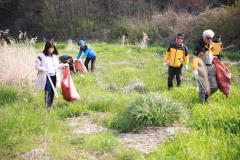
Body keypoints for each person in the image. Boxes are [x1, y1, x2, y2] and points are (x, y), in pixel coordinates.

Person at [35, 41, 68, 107]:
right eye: (49, 48)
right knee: (48, 91)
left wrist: (64, 65)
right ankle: (47, 107)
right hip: (46, 77)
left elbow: (57, 66)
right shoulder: (41, 56)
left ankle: (50, 106)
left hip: (54, 76)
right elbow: (36, 67)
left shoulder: (55, 56)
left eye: (52, 48)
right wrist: (44, 69)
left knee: (53, 92)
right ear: (46, 48)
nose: (51, 50)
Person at [192, 29, 218, 103]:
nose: (209, 39)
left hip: (211, 67)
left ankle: (205, 97)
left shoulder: (212, 45)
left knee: (214, 87)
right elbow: (195, 58)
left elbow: (213, 54)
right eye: (208, 38)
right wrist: (195, 69)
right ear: (203, 37)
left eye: (211, 38)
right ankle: (201, 104)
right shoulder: (199, 46)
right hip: (201, 67)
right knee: (202, 88)